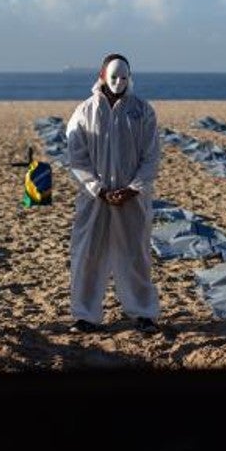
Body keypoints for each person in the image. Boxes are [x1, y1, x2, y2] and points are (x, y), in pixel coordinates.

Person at [66, 53, 162, 333]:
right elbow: (77, 158)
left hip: (133, 200)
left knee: (136, 255)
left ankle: (143, 313)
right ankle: (85, 315)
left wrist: (134, 188)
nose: (119, 82)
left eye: (124, 77)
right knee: (88, 255)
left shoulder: (143, 110)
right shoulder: (84, 112)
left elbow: (151, 155)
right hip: (95, 200)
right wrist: (97, 189)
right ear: (101, 77)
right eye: (113, 77)